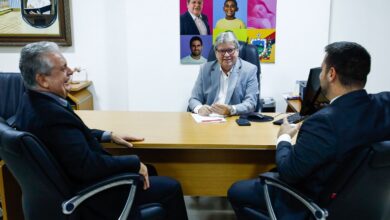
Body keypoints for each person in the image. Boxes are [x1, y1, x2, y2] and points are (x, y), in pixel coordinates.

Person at [14, 41, 188, 220]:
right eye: (63, 68)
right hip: (91, 196)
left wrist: (108, 135)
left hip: (70, 187)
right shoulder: (52, 116)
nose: (71, 71)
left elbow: (70, 137)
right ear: (43, 80)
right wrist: (134, 162)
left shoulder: (31, 102)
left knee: (149, 171)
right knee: (171, 187)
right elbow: (87, 167)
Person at [228, 41, 390, 219]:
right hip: (363, 204)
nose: (320, 76)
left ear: (331, 74)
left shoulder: (323, 123)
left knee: (236, 190)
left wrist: (283, 137)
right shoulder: (384, 105)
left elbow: (288, 172)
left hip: (314, 203)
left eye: (322, 70)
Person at [188, 31, 259, 116]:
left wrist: (231, 109)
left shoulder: (249, 70)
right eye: (222, 51)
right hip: (209, 120)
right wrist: (199, 108)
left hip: (234, 120)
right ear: (216, 53)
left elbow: (251, 103)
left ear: (237, 50)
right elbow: (194, 99)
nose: (226, 55)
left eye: (230, 50)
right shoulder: (205, 69)